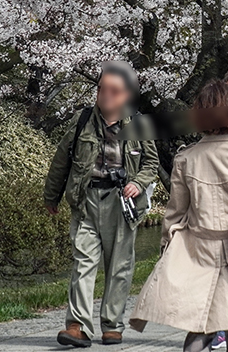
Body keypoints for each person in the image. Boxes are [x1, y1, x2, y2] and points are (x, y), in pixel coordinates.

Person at [130, 79, 228, 352]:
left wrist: (167, 247)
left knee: (201, 327)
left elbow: (175, 214)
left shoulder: (186, 158)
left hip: (198, 250)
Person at [45, 62, 160, 348]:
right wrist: (52, 196)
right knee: (83, 263)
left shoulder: (139, 124)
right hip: (86, 201)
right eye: (101, 89)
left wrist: (138, 182)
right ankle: (77, 326)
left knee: (119, 266)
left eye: (114, 91)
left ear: (127, 96)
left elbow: (152, 164)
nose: (105, 95)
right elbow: (62, 160)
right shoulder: (82, 120)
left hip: (122, 203)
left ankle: (112, 325)